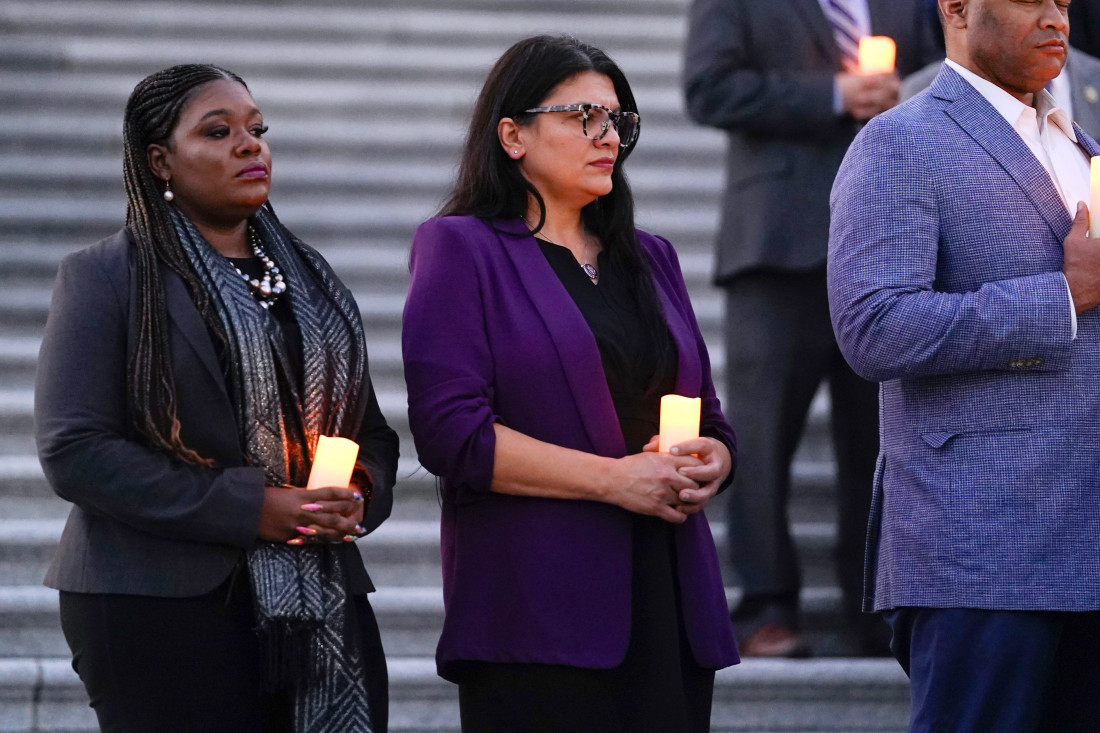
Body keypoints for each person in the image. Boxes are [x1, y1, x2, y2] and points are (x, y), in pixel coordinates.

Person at [34, 64, 398, 733]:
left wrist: (354, 493)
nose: (250, 144)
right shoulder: (106, 278)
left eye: (258, 129)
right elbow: (75, 450)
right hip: (155, 600)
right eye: (219, 130)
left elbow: (369, 434)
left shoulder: (313, 283)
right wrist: (252, 507)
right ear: (160, 160)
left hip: (321, 599)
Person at [401, 35, 739, 733]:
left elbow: (708, 414)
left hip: (667, 595)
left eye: (617, 120)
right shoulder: (460, 248)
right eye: (581, 116)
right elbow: (452, 433)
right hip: (536, 606)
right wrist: (615, 480)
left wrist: (716, 458)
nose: (606, 135)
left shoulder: (651, 257)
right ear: (512, 134)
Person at [829, 0, 1100, 729]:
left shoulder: (1087, 145)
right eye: (1030, 0)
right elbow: (873, 327)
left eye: (1064, 3)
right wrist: (1064, 295)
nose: (1055, 17)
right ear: (955, 9)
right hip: (981, 550)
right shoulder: (899, 142)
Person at [682, 0, 942, 657]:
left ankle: (874, 607)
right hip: (775, 241)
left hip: (888, 240)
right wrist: (832, 93)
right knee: (762, 436)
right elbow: (708, 86)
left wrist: (901, 92)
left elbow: (949, 69)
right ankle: (766, 604)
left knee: (880, 439)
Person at [901, 48, 1100, 137]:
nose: (1049, 17)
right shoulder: (922, 90)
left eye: (1060, 4)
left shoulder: (1094, 77)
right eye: (1026, 3)